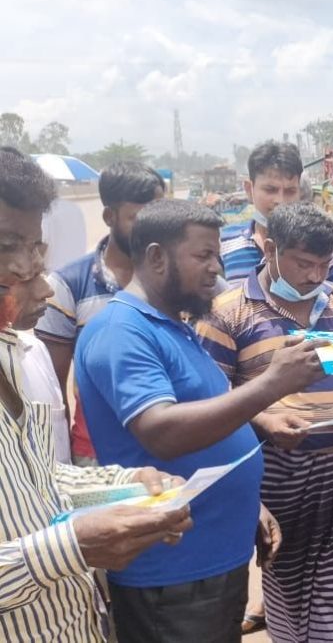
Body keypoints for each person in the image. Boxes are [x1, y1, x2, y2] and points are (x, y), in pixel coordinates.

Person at [75, 199, 330, 642]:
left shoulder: (173, 326)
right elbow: (162, 432)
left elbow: (213, 423)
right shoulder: (122, 330)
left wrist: (251, 504)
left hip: (211, 562)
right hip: (173, 575)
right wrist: (271, 385)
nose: (217, 267)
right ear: (156, 257)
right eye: (203, 255)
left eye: (217, 254)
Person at [0, 147, 192, 641]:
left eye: (36, 249)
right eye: (9, 248)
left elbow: (37, 484)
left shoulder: (17, 355)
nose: (38, 284)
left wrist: (128, 485)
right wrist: (71, 548)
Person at [198, 203, 333, 642]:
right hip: (283, 480)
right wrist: (267, 419)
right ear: (271, 250)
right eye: (302, 264)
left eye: (322, 264)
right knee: (303, 607)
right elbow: (213, 400)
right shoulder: (228, 312)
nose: (313, 276)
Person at [37, 161, 164, 465]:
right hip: (97, 455)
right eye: (138, 218)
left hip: (167, 446)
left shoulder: (172, 278)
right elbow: (54, 389)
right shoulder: (68, 286)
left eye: (158, 217)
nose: (152, 230)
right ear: (109, 216)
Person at [220, 141, 333, 286]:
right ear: (249, 189)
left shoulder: (325, 247)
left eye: (290, 191)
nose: (280, 201)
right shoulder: (225, 244)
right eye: (270, 190)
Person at [14, 269, 69, 462]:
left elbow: (49, 472)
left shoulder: (35, 350)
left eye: (42, 274)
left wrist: (125, 478)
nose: (47, 290)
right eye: (26, 278)